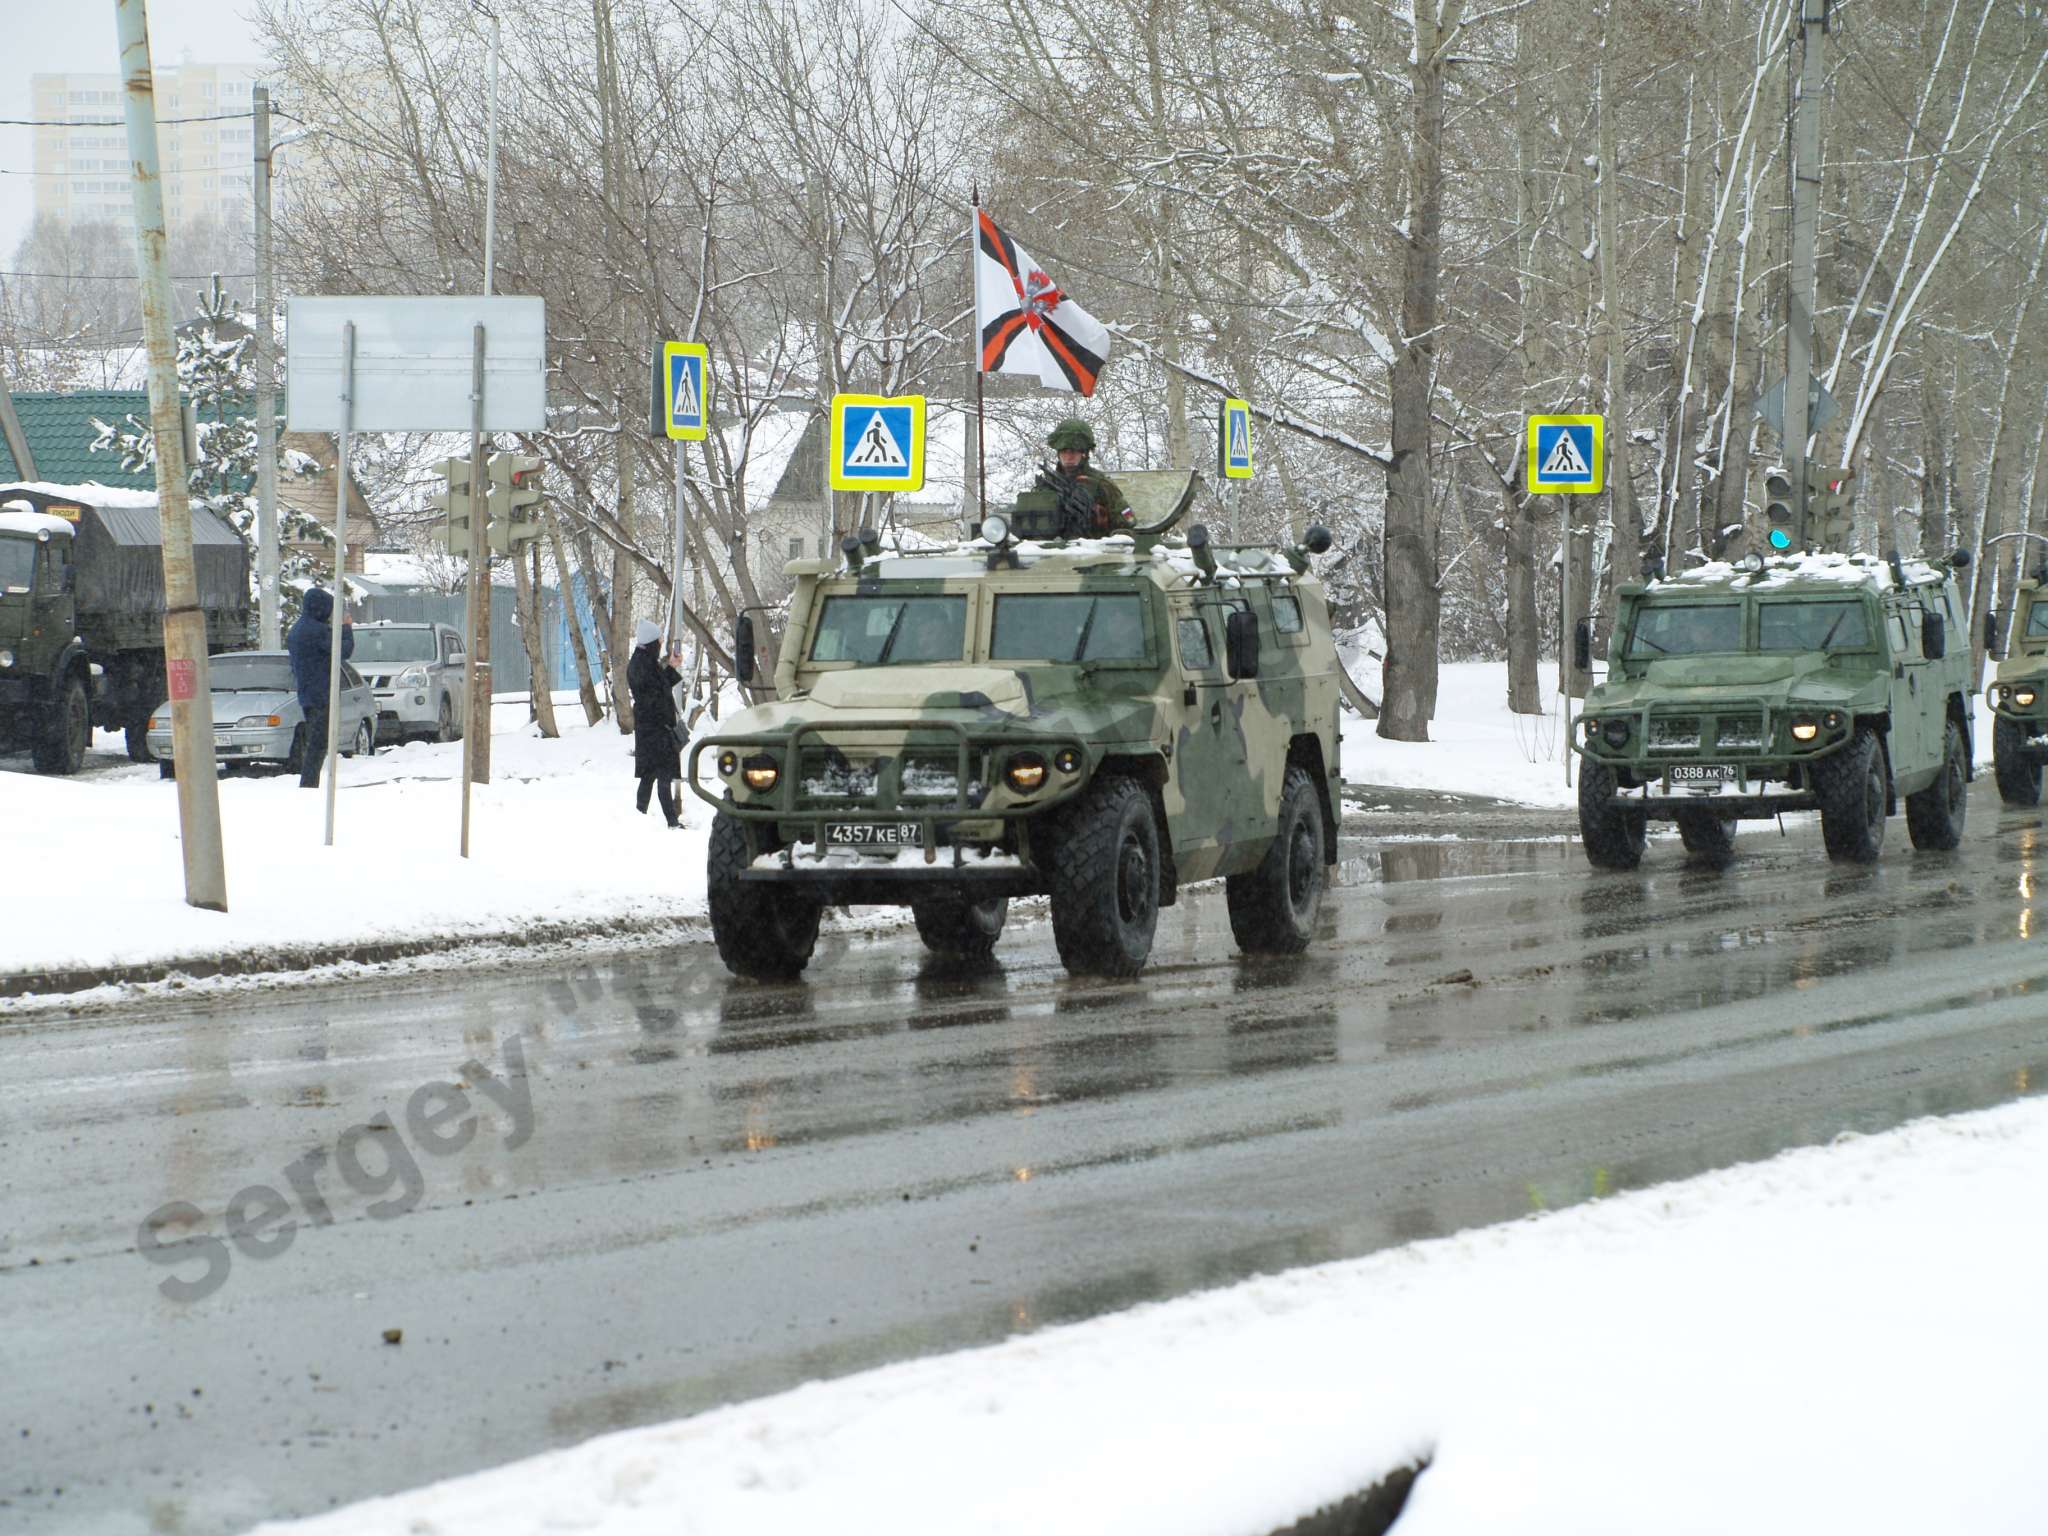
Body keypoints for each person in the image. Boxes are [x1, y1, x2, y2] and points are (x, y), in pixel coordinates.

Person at [287, 586, 353, 789]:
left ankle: (309, 782)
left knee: (314, 740)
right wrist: (347, 629)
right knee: (319, 743)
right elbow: (343, 651)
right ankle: (308, 784)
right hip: (322, 693)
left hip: (306, 693)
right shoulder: (317, 630)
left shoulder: (296, 630)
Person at [628, 618, 685, 827]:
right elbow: (655, 696)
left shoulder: (643, 662)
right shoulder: (642, 666)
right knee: (663, 775)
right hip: (656, 730)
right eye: (659, 641)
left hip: (651, 729)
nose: (661, 644)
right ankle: (671, 822)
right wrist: (666, 723)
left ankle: (639, 815)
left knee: (650, 775)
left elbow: (659, 688)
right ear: (652, 642)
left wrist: (671, 667)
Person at [1035, 418, 1131, 538]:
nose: (1069, 457)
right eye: (1064, 451)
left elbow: (1127, 522)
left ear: (1084, 453)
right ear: (1058, 453)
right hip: (1053, 552)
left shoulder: (1101, 484)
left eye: (1074, 451)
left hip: (1095, 552)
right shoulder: (1046, 485)